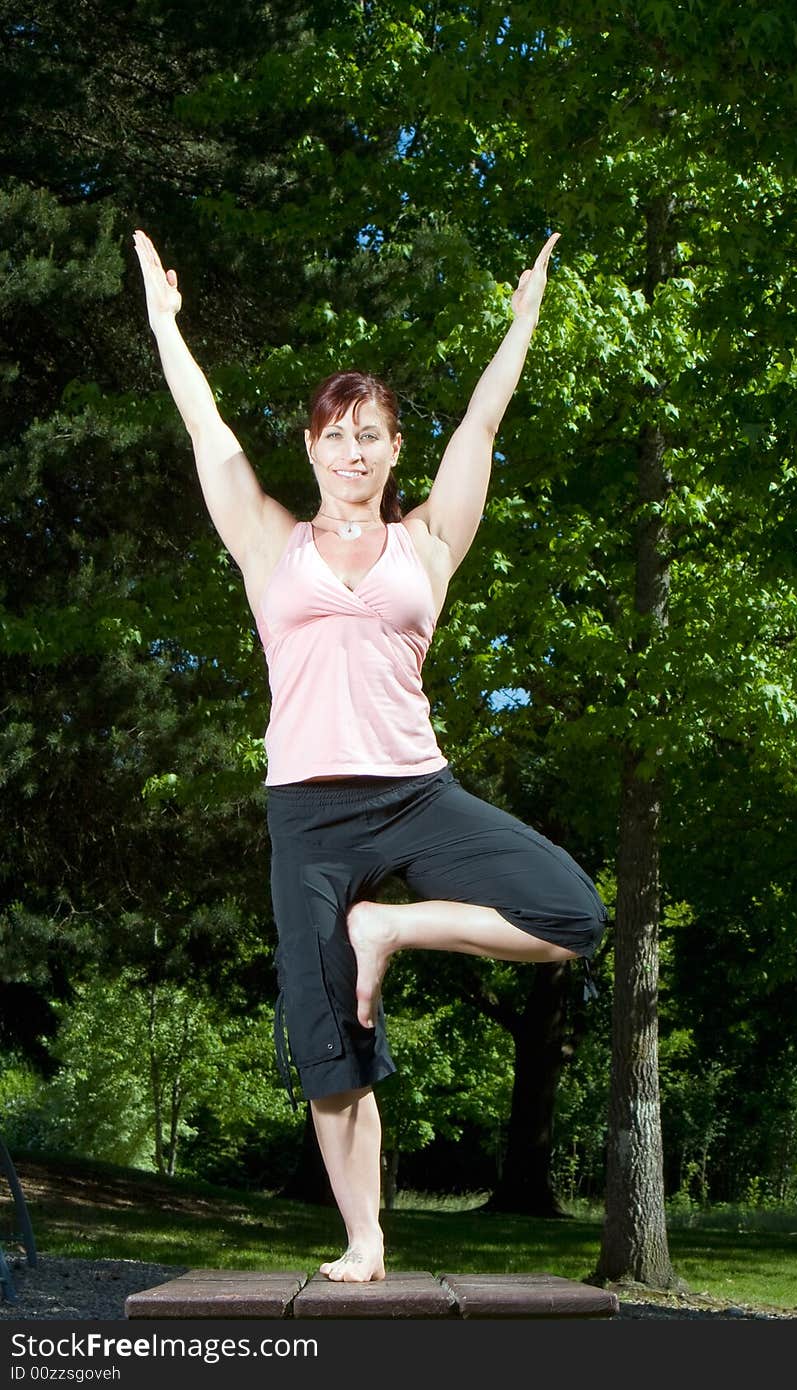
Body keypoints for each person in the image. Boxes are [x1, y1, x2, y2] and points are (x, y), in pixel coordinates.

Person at [133, 227, 608, 1283]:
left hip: (414, 793)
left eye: (372, 435)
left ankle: (390, 924)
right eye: (334, 434)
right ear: (310, 448)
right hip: (305, 812)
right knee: (325, 1040)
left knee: (573, 914)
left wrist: (524, 319)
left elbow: (485, 421)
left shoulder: (429, 542)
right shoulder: (270, 543)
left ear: (397, 450)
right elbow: (206, 429)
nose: (352, 451)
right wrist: (167, 325)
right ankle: (365, 1237)